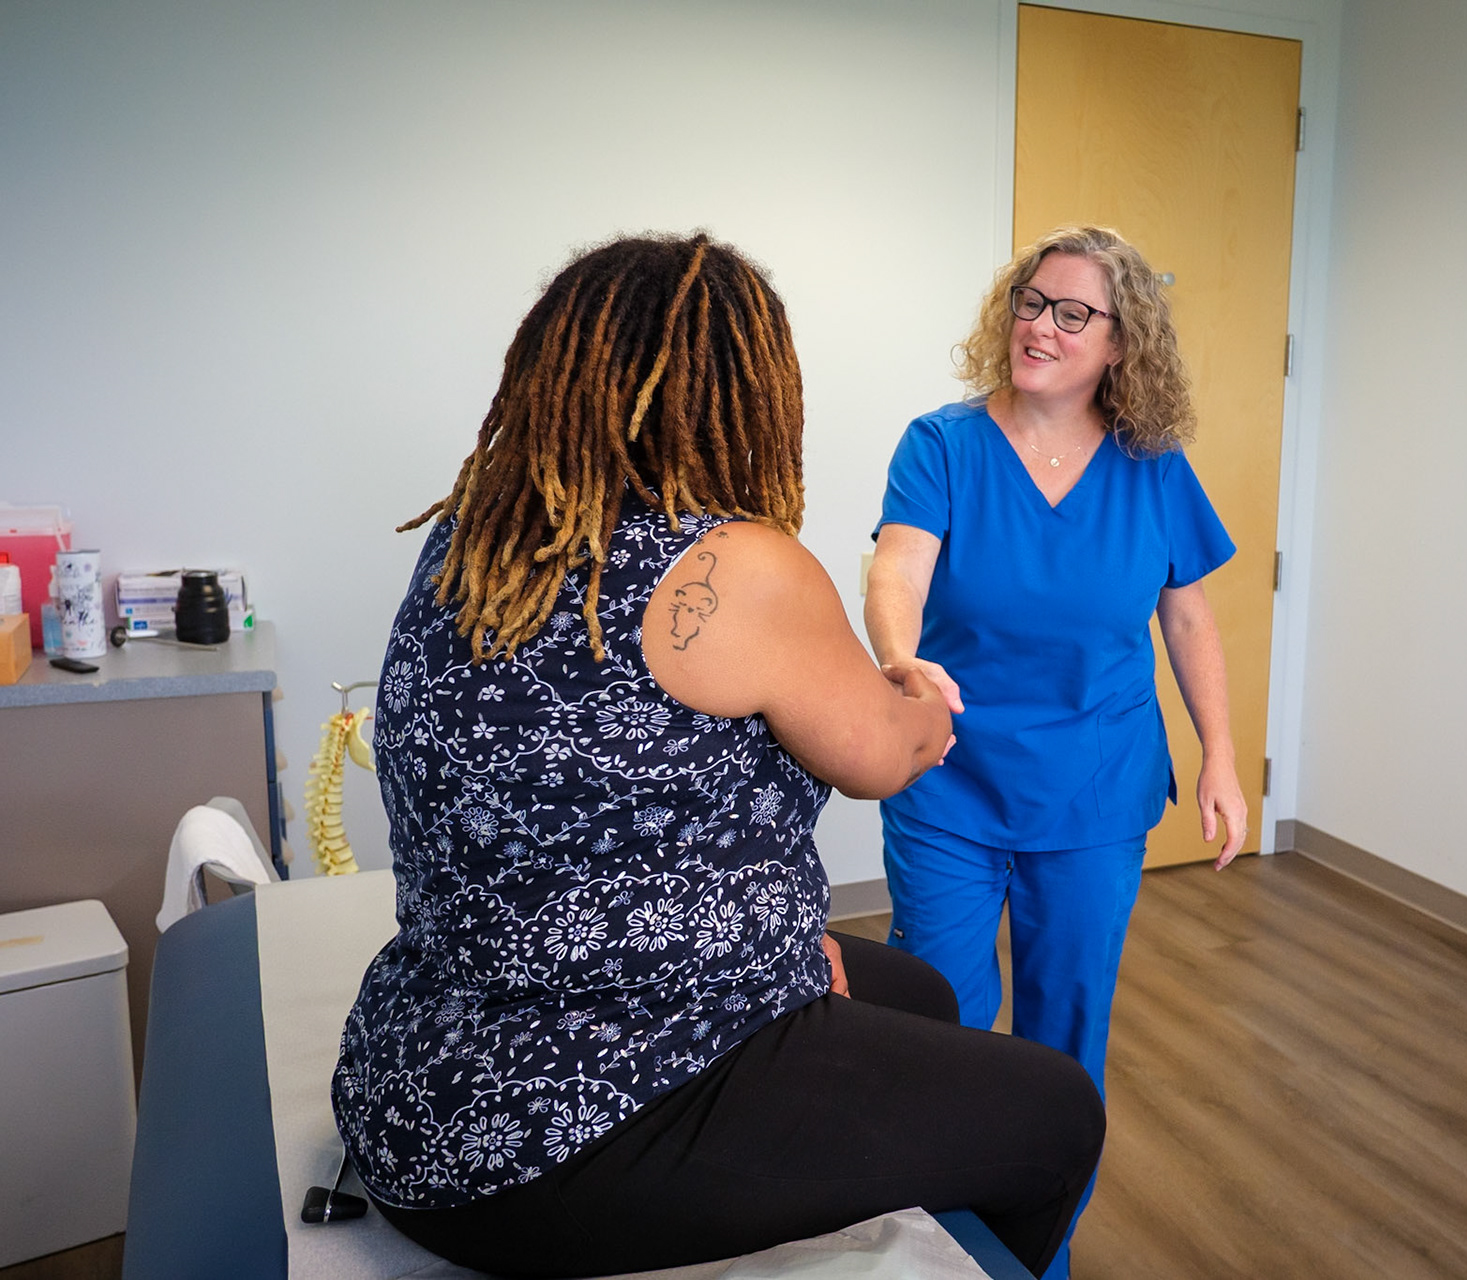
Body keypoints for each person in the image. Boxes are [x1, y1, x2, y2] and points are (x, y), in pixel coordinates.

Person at [331, 233, 1103, 1280]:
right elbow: (886, 754)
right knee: (1058, 1110)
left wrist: (774, 958)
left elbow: (598, 814)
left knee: (919, 992)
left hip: (419, 1075)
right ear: (743, 392)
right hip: (554, 1137)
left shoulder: (481, 539)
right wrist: (921, 688)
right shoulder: (733, 566)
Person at [865, 224, 1248, 1275]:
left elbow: (1188, 615)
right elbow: (897, 567)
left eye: (1074, 312)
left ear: (1123, 342)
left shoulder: (1152, 466)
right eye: (1033, 302)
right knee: (940, 1023)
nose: (1041, 325)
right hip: (951, 779)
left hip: (1094, 785)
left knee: (1065, 1031)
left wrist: (1220, 753)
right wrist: (900, 657)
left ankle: (1042, 1251)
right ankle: (939, 1247)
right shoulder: (943, 444)